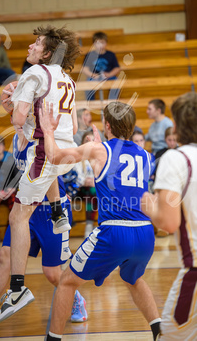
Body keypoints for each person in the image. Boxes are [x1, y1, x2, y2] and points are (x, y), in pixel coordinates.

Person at [40, 101, 161, 341]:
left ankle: (52, 339)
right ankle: (159, 332)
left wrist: (47, 130)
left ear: (107, 125)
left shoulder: (99, 150)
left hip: (115, 231)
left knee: (66, 282)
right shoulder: (147, 156)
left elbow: (53, 157)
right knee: (133, 279)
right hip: (146, 233)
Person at [0, 126, 87, 331]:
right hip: (24, 209)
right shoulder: (16, 138)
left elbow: (51, 173)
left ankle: (76, 298)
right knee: (4, 257)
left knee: (51, 273)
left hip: (49, 209)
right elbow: (24, 173)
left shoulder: (43, 134)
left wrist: (57, 204)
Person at [0, 25, 81, 316]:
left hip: (45, 152)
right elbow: (76, 127)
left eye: (37, 43)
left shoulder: (33, 74)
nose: (31, 46)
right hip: (65, 151)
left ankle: (17, 289)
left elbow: (18, 116)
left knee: (18, 217)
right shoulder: (67, 78)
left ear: (46, 52)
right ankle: (58, 212)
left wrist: (16, 111)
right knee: (48, 174)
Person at [141, 92, 197, 340]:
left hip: (195, 269)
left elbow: (169, 223)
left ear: (176, 123)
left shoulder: (176, 158)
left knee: (169, 335)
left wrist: (149, 205)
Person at [82, 32, 121, 101]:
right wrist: (93, 75)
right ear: (94, 44)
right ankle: (90, 103)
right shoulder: (89, 55)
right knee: (88, 84)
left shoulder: (111, 54)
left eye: (102, 42)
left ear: (106, 43)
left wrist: (109, 74)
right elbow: (85, 69)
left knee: (116, 82)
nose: (100, 45)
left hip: (108, 76)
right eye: (98, 43)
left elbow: (117, 68)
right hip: (94, 77)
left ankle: (113, 102)